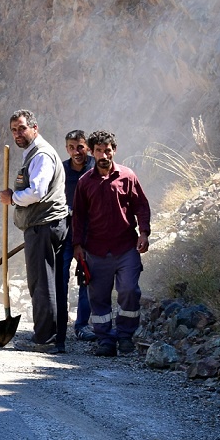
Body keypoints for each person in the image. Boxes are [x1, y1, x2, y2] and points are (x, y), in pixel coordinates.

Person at [71, 130, 151, 357]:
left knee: (129, 290)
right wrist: (78, 246)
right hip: (95, 251)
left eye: (107, 150)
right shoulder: (85, 182)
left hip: (126, 248)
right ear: (92, 153)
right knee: (98, 297)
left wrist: (143, 233)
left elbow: (141, 207)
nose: (103, 154)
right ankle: (105, 340)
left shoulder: (128, 176)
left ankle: (125, 337)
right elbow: (78, 216)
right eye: (98, 150)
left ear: (114, 150)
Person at [0, 110, 69, 352]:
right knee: (48, 281)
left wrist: (13, 198)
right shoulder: (33, 154)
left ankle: (45, 339)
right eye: (14, 130)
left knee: (41, 282)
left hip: (43, 225)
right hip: (45, 225)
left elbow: (37, 192)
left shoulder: (41, 155)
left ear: (35, 128)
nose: (18, 134)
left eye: (22, 128)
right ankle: (54, 337)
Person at [62, 130, 96, 341]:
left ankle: (82, 325)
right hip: (65, 233)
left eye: (80, 147)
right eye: (72, 147)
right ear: (67, 149)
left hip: (90, 235)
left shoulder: (95, 167)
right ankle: (58, 325)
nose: (77, 152)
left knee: (87, 279)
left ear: (87, 147)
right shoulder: (61, 170)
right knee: (60, 278)